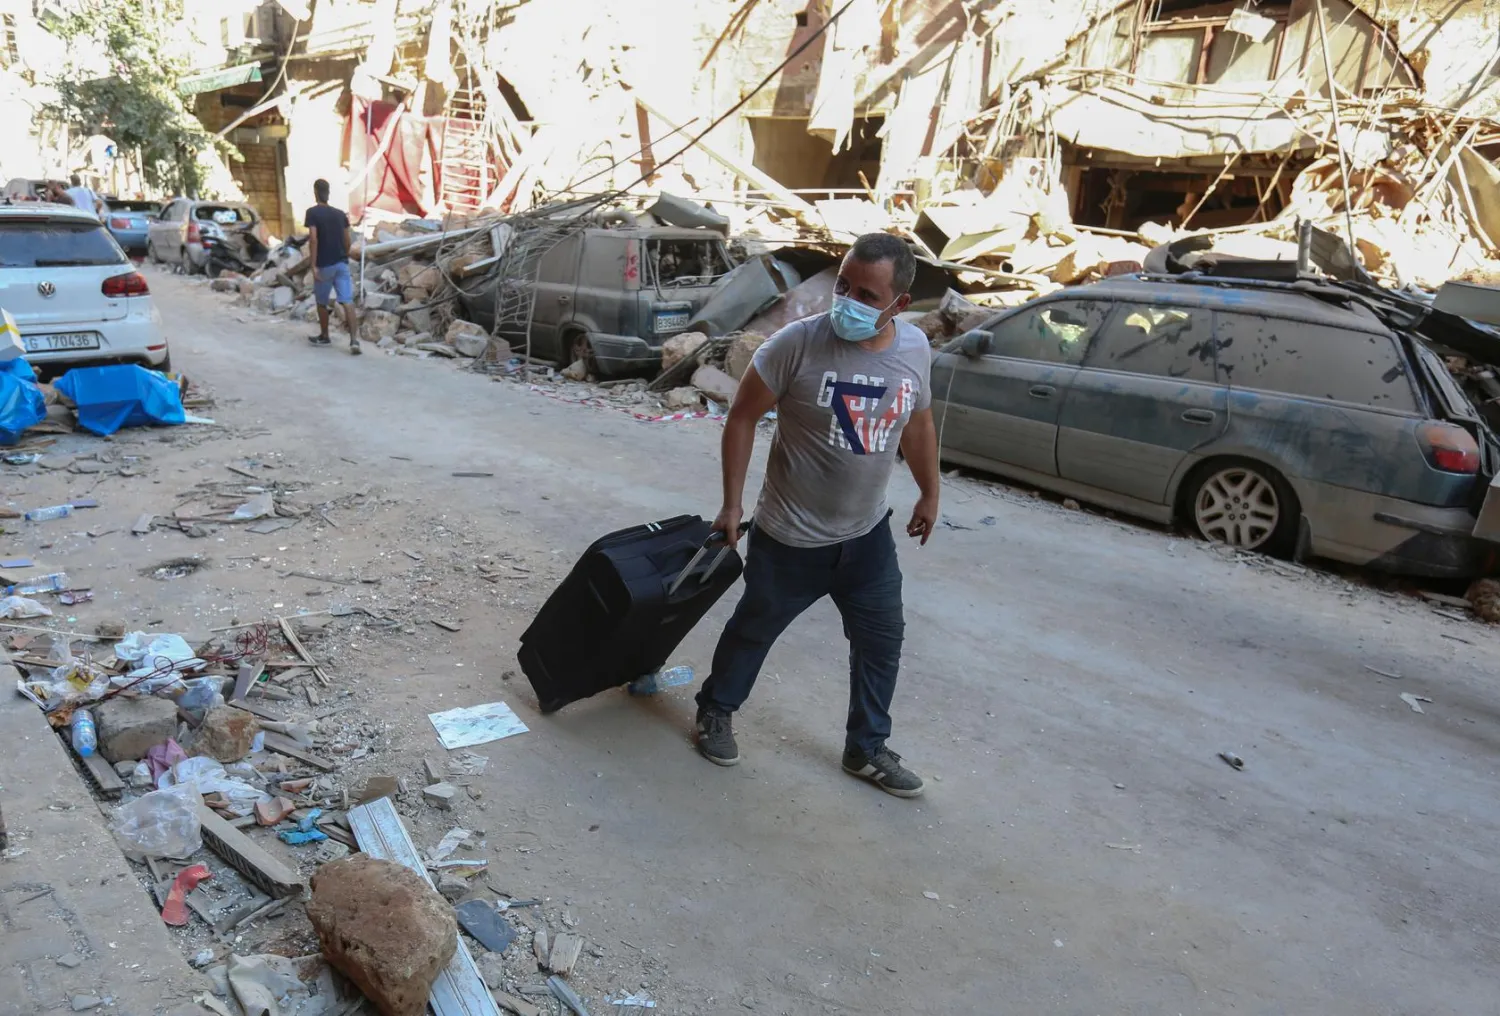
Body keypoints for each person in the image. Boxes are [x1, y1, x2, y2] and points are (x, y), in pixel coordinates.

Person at [693, 232, 940, 798]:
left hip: (867, 536)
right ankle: (716, 710)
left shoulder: (915, 350)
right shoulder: (794, 344)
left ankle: (867, 747)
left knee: (882, 641)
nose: (848, 301)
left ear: (900, 305)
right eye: (844, 285)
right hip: (789, 538)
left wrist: (929, 491)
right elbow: (741, 418)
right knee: (754, 629)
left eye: (867, 295)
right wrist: (732, 503)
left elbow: (920, 423)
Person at [304, 178, 360, 355]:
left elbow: (313, 239)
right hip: (341, 263)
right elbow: (347, 239)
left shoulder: (312, 213)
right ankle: (354, 341)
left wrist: (313, 265)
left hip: (324, 265)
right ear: (328, 192)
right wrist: (345, 252)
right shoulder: (339, 214)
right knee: (347, 301)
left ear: (315, 192)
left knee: (322, 302)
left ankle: (325, 335)